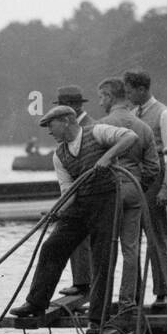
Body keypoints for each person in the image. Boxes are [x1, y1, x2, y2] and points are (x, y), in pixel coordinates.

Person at [10, 104, 138, 332]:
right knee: (52, 247)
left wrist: (108, 157)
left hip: (106, 200)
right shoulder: (59, 155)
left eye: (51, 125)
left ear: (67, 121)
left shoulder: (97, 132)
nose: (49, 131)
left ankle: (97, 320)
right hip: (79, 204)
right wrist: (56, 211)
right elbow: (68, 190)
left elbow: (130, 136)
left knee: (102, 259)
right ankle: (36, 303)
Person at [98, 79, 160, 318]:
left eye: (101, 98)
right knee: (131, 249)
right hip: (134, 191)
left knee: (105, 249)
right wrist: (137, 184)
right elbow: (153, 168)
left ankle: (102, 303)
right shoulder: (143, 127)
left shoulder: (101, 126)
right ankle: (127, 303)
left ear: (109, 96)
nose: (101, 102)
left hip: (109, 194)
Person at [126, 70, 167, 309]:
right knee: (132, 238)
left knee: (156, 236)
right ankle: (134, 295)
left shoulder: (164, 114)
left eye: (129, 91)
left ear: (141, 90)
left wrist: (166, 187)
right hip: (135, 179)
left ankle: (162, 292)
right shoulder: (131, 114)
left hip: (155, 178)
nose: (126, 96)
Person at [53, 85, 97, 298]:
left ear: (72, 107)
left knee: (81, 237)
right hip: (76, 192)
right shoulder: (71, 128)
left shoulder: (90, 127)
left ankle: (84, 283)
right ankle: (82, 281)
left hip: (90, 193)